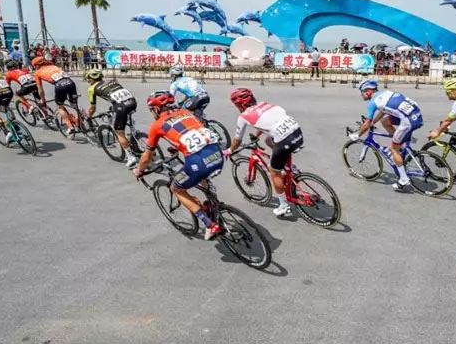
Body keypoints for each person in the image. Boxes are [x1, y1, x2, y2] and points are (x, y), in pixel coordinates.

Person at [133, 91, 222, 240]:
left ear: (156, 109)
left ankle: (209, 225)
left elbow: (147, 156)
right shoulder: (185, 112)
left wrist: (139, 170)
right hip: (217, 153)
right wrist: (176, 147)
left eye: (151, 110)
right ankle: (213, 201)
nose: (151, 113)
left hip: (198, 162)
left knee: (176, 189)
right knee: (201, 174)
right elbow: (191, 132)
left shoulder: (156, 125)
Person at [224, 88, 304, 215]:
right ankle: (290, 168)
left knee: (274, 172)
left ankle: (284, 206)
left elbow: (237, 140)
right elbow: (267, 122)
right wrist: (256, 135)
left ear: (239, 105)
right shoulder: (264, 104)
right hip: (297, 133)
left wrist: (229, 150)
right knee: (268, 140)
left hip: (284, 141)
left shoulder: (243, 117)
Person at [350, 79, 423, 191]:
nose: (362, 95)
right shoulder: (386, 93)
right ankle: (403, 140)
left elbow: (366, 123)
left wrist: (358, 135)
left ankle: (404, 180)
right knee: (385, 122)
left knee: (393, 148)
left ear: (368, 91)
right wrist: (373, 122)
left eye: (362, 92)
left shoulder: (373, 102)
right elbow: (383, 111)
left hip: (408, 121)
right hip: (416, 115)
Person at [86, 68, 139, 167]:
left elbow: (92, 108)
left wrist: (89, 116)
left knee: (119, 132)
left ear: (91, 79)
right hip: (132, 102)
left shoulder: (91, 89)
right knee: (120, 113)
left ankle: (131, 157)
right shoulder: (112, 81)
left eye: (88, 80)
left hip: (121, 107)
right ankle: (137, 135)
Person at [32, 56, 80, 134]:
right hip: (70, 82)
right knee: (74, 105)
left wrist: (43, 100)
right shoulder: (54, 66)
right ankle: (83, 119)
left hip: (60, 85)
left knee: (60, 106)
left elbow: (40, 90)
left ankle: (70, 127)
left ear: (37, 65)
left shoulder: (37, 73)